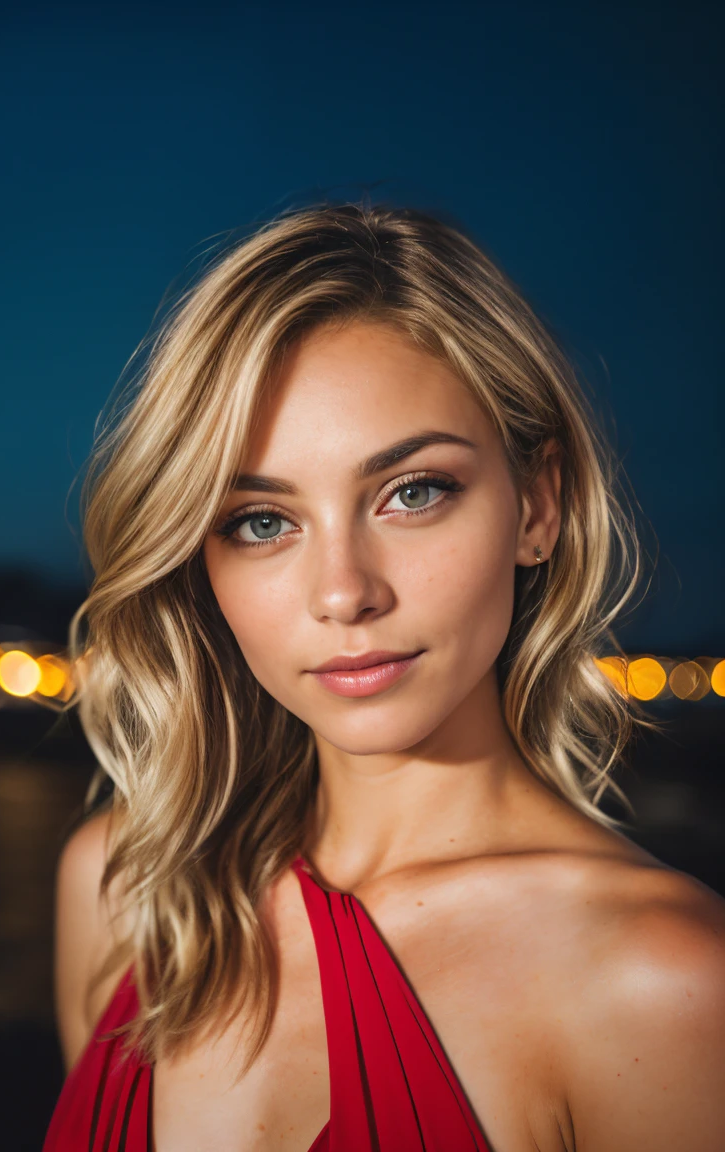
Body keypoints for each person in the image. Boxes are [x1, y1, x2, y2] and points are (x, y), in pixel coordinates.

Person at [44, 201, 725, 1152]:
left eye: (413, 493)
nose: (343, 594)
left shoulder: (663, 980)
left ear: (539, 503)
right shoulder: (130, 894)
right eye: (261, 521)